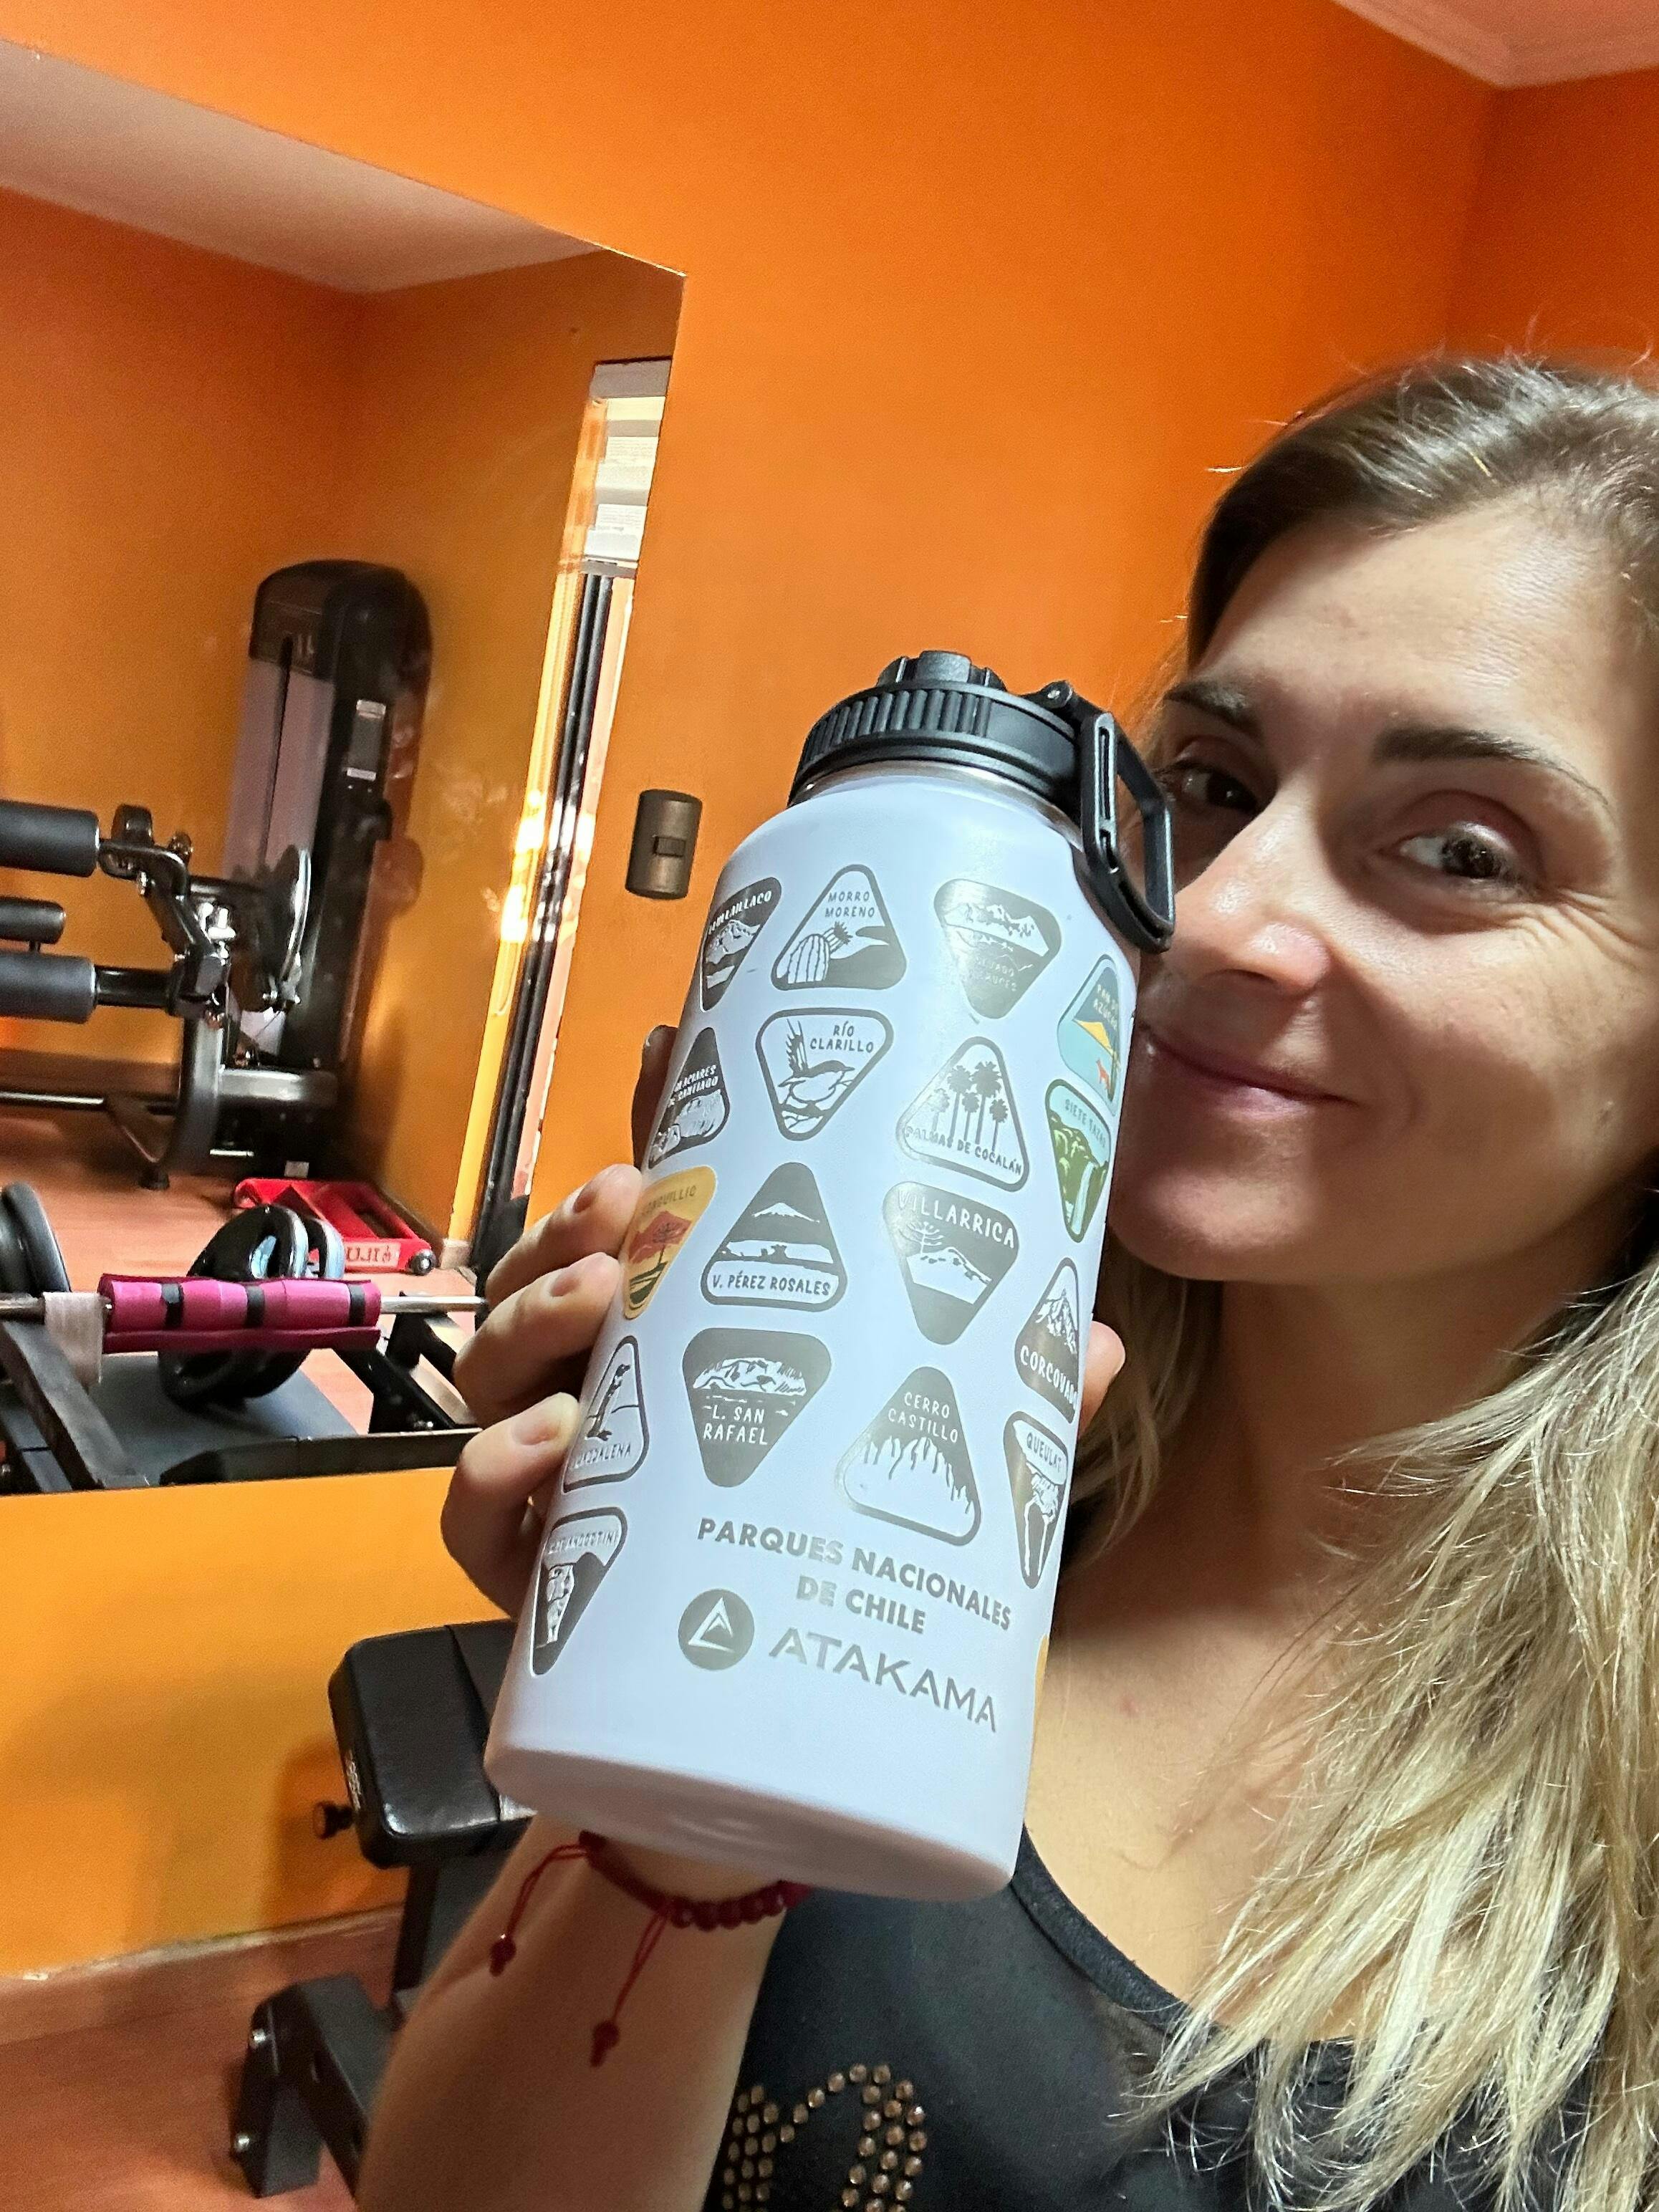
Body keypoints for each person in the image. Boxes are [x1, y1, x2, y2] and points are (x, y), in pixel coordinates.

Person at [359, 357, 1659, 2212]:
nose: (1211, 915)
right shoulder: (935, 1463)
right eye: (1208, 785)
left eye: (1460, 850)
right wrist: (678, 1810)